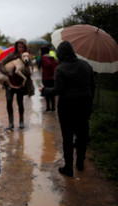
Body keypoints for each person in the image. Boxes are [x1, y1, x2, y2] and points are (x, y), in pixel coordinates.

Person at [39, 41, 95, 177]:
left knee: (67, 137)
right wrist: (89, 101)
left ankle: (68, 168)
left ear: (61, 54)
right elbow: (92, 86)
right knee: (82, 135)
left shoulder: (61, 68)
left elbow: (58, 90)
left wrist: (44, 90)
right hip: (84, 105)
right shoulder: (86, 65)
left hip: (67, 107)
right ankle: (80, 163)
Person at [0, 38, 32, 129]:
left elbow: (30, 71)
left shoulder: (27, 56)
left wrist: (27, 67)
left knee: (20, 102)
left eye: (22, 47)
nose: (20, 49)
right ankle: (11, 123)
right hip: (9, 83)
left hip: (20, 84)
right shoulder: (11, 55)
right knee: (9, 101)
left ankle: (21, 122)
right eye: (19, 47)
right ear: (16, 47)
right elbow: (0, 63)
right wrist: (6, 72)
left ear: (25, 47)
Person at [40, 45, 57, 112]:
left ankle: (48, 108)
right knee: (52, 93)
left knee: (46, 93)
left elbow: (43, 68)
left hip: (46, 78)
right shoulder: (52, 58)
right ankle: (53, 107)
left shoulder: (43, 58)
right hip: (52, 78)